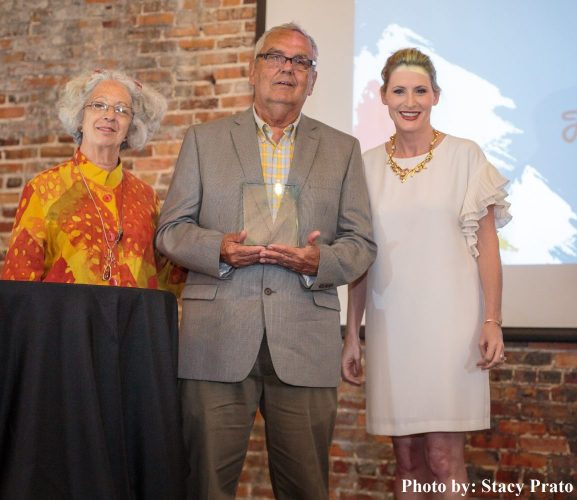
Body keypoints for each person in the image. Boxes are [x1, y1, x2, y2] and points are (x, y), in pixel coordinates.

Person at [156, 23, 376, 500]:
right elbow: (170, 230)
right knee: (204, 486)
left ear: (312, 80)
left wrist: (318, 261)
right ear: (253, 70)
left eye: (301, 62)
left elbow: (361, 244)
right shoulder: (204, 140)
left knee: (306, 488)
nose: (287, 69)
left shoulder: (342, 149)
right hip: (216, 343)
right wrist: (218, 248)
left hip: (304, 341)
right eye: (276, 57)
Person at [342, 48, 511, 498]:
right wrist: (352, 334)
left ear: (436, 95)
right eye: (399, 91)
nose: (410, 101)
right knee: (407, 460)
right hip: (392, 330)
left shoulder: (465, 156)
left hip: (451, 330)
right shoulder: (365, 166)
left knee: (442, 458)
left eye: (420, 90)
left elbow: (488, 247)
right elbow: (360, 258)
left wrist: (492, 320)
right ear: (383, 96)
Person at [1, 69, 183, 290]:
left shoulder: (147, 198)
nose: (110, 115)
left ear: (131, 127)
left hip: (133, 313)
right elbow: (18, 284)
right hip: (65, 314)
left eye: (122, 110)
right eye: (98, 105)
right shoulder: (44, 189)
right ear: (80, 118)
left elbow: (167, 280)